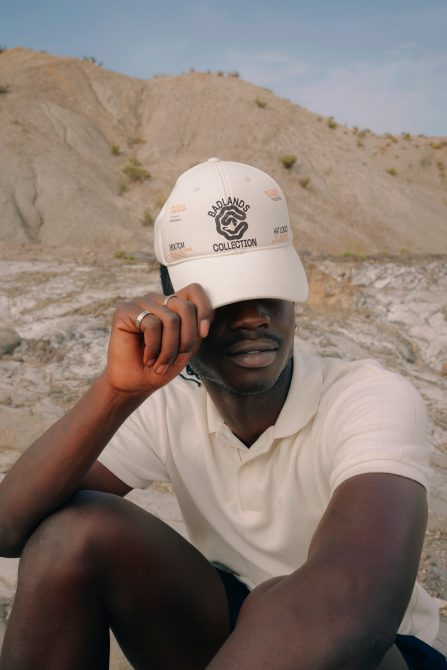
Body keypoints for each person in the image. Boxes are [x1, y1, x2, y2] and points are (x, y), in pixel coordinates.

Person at [0, 158, 444, 670]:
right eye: (226, 299)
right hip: (239, 636)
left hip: (373, 654)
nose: (254, 316)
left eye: (267, 289)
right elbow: (11, 528)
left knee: (285, 601)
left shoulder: (369, 398)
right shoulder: (168, 404)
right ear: (175, 309)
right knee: (71, 535)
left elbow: (355, 600)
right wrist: (117, 392)